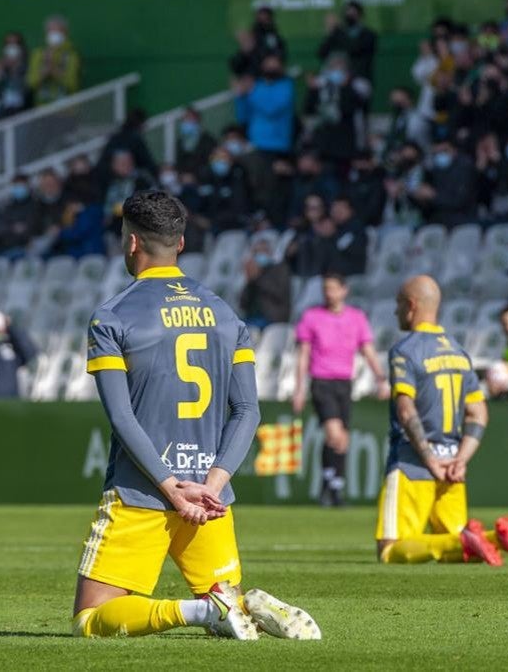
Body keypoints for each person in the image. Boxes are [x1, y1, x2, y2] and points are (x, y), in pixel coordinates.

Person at [73, 190, 319, 640]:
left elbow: (123, 418)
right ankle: (241, 603)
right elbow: (248, 411)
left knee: (90, 621)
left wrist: (171, 487)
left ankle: (201, 612)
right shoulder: (226, 315)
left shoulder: (112, 317)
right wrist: (212, 485)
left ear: (131, 244)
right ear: (180, 244)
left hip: (142, 492)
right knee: (232, 611)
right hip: (209, 501)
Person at [376, 275, 508, 566]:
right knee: (460, 553)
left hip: (413, 463)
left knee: (391, 549)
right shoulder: (459, 354)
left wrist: (428, 458)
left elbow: (406, 411)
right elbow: (479, 413)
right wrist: (460, 460)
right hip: (453, 468)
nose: (395, 312)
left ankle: (467, 539)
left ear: (411, 306)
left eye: (399, 304)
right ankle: (492, 539)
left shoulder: (405, 351)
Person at [292, 274, 389, 507]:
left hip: (344, 384)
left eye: (334, 289)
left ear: (344, 290)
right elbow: (303, 354)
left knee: (341, 440)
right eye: (326, 289)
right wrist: (299, 388)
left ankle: (330, 484)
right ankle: (334, 489)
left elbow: (367, 350)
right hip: (321, 382)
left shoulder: (356, 318)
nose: (329, 293)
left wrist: (381, 379)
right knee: (335, 434)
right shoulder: (312, 317)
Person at [304, 54, 369, 170]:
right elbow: (309, 109)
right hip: (324, 140)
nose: (336, 71)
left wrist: (345, 87)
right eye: (333, 67)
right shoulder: (322, 86)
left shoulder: (357, 85)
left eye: (340, 68)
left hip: (345, 141)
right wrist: (312, 90)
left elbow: (353, 107)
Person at [233, 55, 295, 157]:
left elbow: (271, 110)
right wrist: (240, 97)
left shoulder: (286, 86)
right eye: (268, 63)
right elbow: (243, 116)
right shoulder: (257, 85)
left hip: (277, 145)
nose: (270, 66)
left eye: (274, 63)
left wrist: (251, 91)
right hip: (255, 143)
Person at [317, 0, 378, 85]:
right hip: (337, 76)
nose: (349, 15)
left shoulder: (368, 35)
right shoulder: (338, 34)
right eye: (347, 12)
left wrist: (337, 31)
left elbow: (354, 49)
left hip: (359, 77)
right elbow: (321, 53)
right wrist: (331, 33)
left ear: (360, 14)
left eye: (352, 12)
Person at [28, 15, 81, 106]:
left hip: (66, 110)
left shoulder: (72, 55)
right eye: (51, 31)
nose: (54, 34)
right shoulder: (38, 54)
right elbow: (31, 83)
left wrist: (55, 71)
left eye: (58, 31)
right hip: (43, 109)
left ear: (65, 33)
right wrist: (44, 72)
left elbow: (73, 85)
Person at [239, 240, 290, 330]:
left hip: (272, 318)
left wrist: (258, 277)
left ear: (269, 252)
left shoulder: (280, 269)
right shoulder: (253, 272)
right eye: (256, 252)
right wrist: (249, 281)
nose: (260, 255)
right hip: (251, 318)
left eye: (263, 251)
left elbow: (279, 294)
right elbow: (243, 304)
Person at [0, 31, 31, 118]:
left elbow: (27, 90)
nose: (12, 47)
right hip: (4, 115)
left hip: (24, 115)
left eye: (15, 43)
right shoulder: (0, 68)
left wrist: (15, 69)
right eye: (9, 44)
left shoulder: (29, 65)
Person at [173, 106, 217, 177]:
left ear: (198, 120)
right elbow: (178, 163)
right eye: (185, 119)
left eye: (190, 118)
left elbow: (212, 161)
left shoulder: (208, 139)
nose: (187, 121)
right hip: (185, 179)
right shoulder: (180, 142)